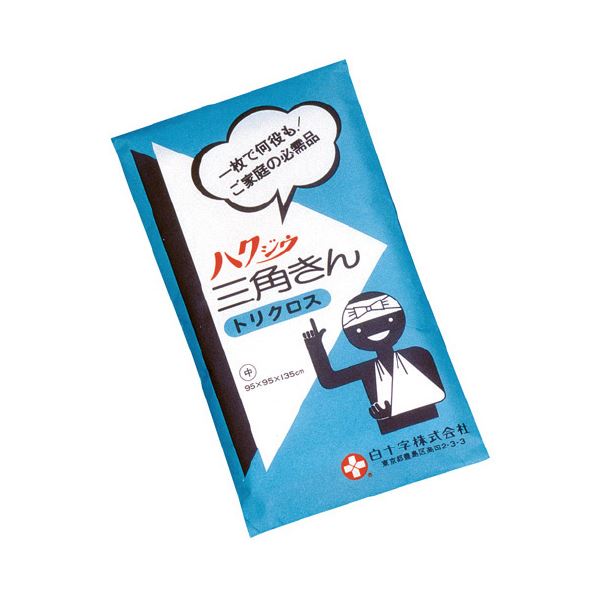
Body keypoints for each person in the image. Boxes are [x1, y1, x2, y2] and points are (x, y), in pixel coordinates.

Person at [303, 292, 445, 433]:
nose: (376, 329)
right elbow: (330, 380)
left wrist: (392, 411)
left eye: (388, 320)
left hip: (432, 424)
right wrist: (315, 347)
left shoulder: (418, 354)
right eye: (360, 329)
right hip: (390, 430)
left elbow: (438, 394)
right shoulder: (367, 369)